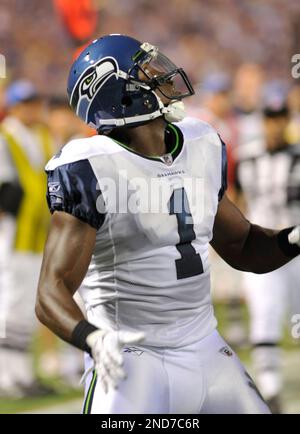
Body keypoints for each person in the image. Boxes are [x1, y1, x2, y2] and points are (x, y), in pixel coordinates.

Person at [35, 34, 300, 414]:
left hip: (204, 346)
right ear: (119, 93)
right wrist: (90, 338)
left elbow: (242, 246)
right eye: (147, 73)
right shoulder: (91, 166)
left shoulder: (200, 143)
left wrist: (293, 238)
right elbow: (51, 291)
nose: (163, 78)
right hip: (131, 355)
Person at [235, 82, 300, 413]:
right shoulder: (246, 156)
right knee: (265, 312)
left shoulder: (298, 155)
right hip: (262, 245)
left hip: (298, 247)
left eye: (280, 117)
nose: (275, 124)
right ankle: (271, 389)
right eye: (270, 117)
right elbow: (234, 198)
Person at [0, 80, 53, 397]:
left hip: (37, 234)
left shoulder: (41, 136)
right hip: (13, 236)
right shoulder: (6, 136)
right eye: (27, 104)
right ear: (15, 107)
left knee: (25, 308)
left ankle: (21, 374)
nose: (33, 109)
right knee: (10, 305)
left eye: (35, 103)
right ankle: (7, 376)